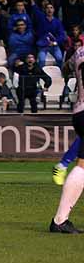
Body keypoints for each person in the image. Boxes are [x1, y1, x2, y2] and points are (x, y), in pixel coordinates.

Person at [49, 40, 84, 234]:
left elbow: (65, 69)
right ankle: (60, 220)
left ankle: (61, 220)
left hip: (79, 111)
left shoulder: (78, 52)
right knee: (83, 165)